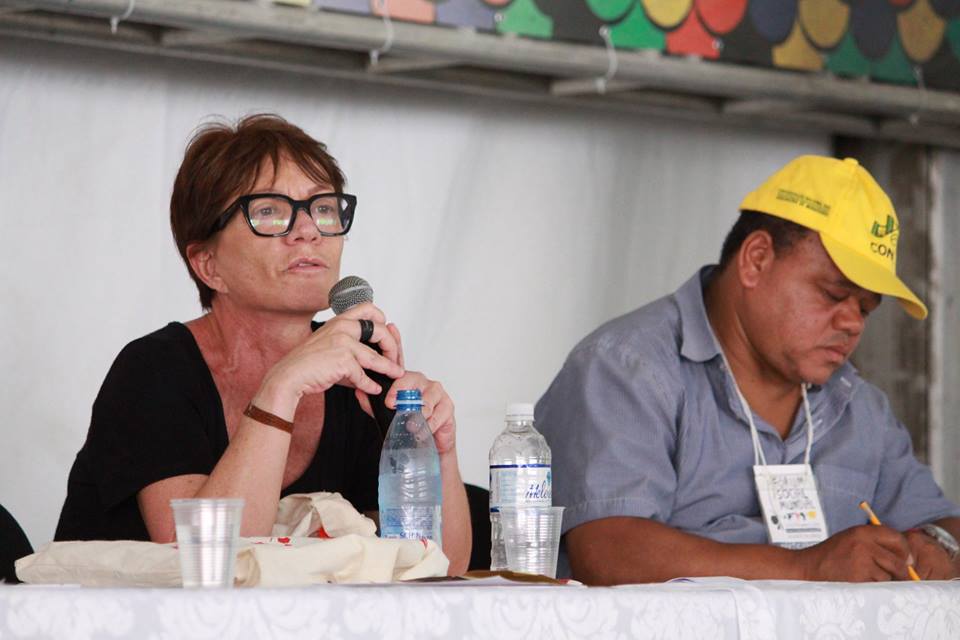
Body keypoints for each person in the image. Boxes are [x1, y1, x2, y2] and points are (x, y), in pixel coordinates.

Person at [55, 114, 471, 575]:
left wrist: (438, 449)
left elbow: (442, 568)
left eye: (323, 208)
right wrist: (283, 385)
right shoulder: (154, 370)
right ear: (208, 264)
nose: (308, 230)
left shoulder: (359, 374)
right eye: (269, 211)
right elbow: (203, 567)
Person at [537, 155, 960, 584]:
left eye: (866, 308)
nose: (852, 323)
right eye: (834, 294)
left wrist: (936, 546)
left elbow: (944, 523)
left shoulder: (859, 406)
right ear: (756, 259)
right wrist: (806, 568)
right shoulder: (628, 368)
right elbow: (609, 551)